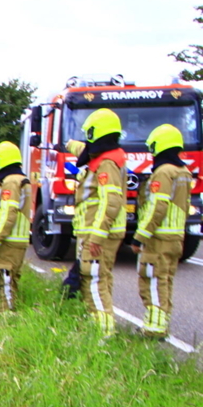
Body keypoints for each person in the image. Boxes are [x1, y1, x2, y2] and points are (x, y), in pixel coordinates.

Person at [68, 108, 127, 338]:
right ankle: (99, 328)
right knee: (100, 278)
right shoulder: (105, 156)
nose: (87, 138)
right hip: (97, 231)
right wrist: (67, 143)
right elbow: (82, 148)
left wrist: (97, 236)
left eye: (89, 133)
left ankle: (101, 336)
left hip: (98, 233)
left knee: (93, 281)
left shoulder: (106, 164)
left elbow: (111, 201)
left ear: (97, 132)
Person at [132, 124, 192, 338]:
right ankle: (160, 325)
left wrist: (140, 236)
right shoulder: (184, 172)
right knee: (165, 281)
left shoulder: (163, 172)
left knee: (153, 281)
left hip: (158, 238)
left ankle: (154, 330)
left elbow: (158, 206)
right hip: (176, 237)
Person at [0, 141, 32, 311]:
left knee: (5, 279)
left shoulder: (11, 182)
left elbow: (8, 214)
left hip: (9, 240)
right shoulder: (16, 179)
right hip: (13, 239)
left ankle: (6, 316)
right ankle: (1, 312)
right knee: (7, 279)